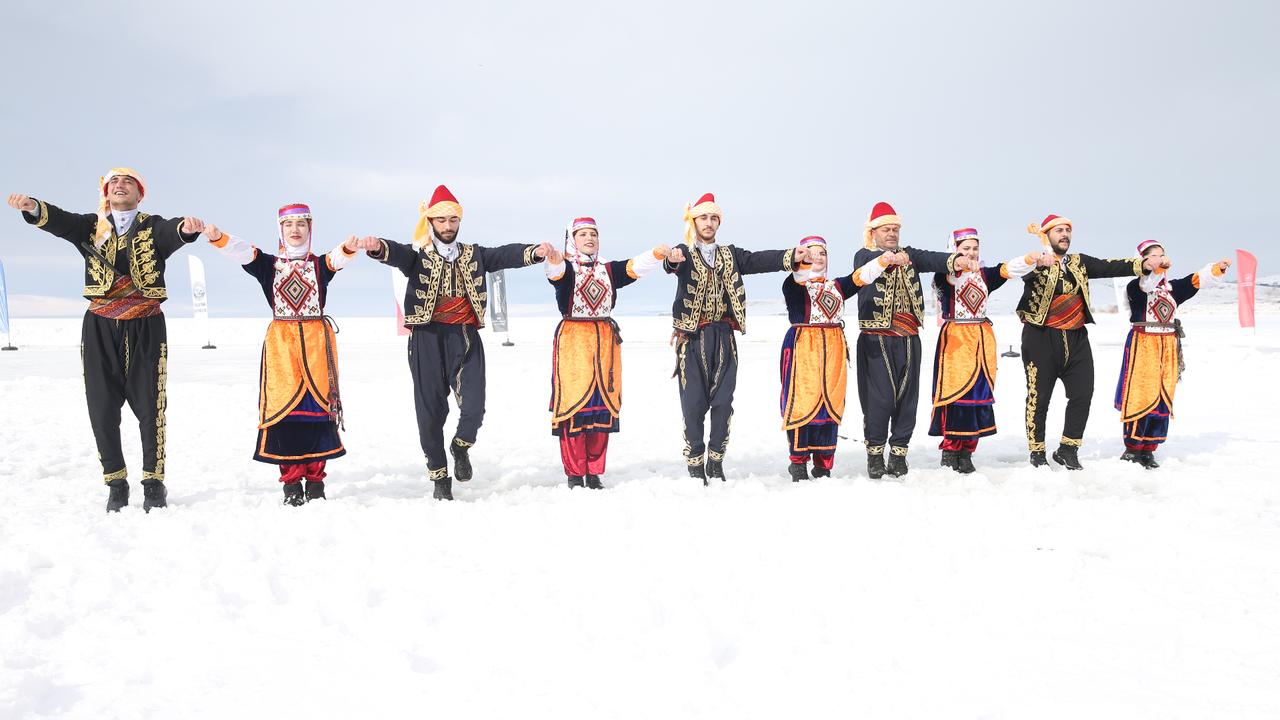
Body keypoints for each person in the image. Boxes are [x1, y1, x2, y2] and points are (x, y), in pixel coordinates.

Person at [7, 169, 204, 512]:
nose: (120, 185)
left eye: (128, 182)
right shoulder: (90, 226)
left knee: (150, 406)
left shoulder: (151, 225)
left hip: (145, 324)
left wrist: (185, 230)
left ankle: (153, 483)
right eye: (113, 182)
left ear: (139, 193)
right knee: (101, 407)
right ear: (105, 192)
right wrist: (33, 207)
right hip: (99, 324)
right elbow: (59, 220)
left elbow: (171, 232)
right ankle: (116, 483)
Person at [357, 185, 551, 500]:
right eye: (441, 220)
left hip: (465, 336)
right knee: (430, 412)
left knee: (474, 406)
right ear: (430, 221)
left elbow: (504, 254)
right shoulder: (418, 255)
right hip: (427, 337)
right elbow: (395, 253)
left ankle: (460, 446)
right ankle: (440, 478)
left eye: (452, 220)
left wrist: (534, 252)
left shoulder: (473, 254)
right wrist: (378, 246)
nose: (447, 226)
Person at [204, 204, 362, 505]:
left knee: (318, 410)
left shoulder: (319, 265)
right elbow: (241, 252)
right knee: (285, 412)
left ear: (310, 228)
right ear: (281, 229)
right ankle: (291, 484)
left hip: (316, 345)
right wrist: (218, 237)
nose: (295, 230)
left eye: (301, 224)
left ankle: (316, 482)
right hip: (282, 347)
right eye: (289, 224)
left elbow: (337, 258)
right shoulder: (269, 264)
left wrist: (349, 247)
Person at [664, 192, 803, 484]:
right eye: (704, 217)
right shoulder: (685, 251)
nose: (709, 222)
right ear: (694, 220)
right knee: (693, 404)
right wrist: (672, 260)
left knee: (723, 402)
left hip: (725, 337)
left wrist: (791, 256)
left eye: (714, 218)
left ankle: (716, 461)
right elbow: (672, 264)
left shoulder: (730, 254)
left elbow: (760, 260)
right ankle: (694, 462)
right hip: (693, 338)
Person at [1019, 214, 1162, 469]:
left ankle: (1068, 448)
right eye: (1059, 230)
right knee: (1039, 397)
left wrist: (1144, 264)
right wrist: (1035, 260)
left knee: (1082, 394)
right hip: (1041, 337)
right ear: (1047, 234)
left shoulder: (1079, 262)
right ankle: (1037, 452)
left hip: (1076, 337)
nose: (1064, 235)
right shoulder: (1035, 261)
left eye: (1067, 230)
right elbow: (1018, 269)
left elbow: (1111, 265)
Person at [543, 217, 676, 488]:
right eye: (583, 235)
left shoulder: (607, 269)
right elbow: (556, 274)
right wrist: (554, 260)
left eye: (593, 234)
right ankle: (574, 473)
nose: (589, 239)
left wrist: (655, 253)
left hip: (605, 344)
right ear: (573, 239)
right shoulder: (567, 268)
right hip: (574, 344)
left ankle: (593, 471)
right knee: (574, 408)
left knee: (601, 407)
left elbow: (632, 267)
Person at [852, 202, 977, 479]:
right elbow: (865, 272)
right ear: (873, 232)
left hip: (909, 338)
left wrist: (954, 261)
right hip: (877, 339)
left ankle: (898, 453)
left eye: (895, 229)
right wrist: (885, 260)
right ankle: (875, 455)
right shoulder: (864, 256)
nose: (892, 234)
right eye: (886, 229)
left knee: (907, 399)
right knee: (879, 400)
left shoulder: (909, 256)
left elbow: (933, 258)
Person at [928, 228, 1046, 473]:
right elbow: (949, 278)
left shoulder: (985, 275)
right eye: (965, 248)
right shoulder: (944, 274)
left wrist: (1029, 259)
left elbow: (1008, 269)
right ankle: (951, 449)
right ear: (954, 250)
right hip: (956, 338)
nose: (971, 253)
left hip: (981, 338)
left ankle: (968, 450)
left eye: (975, 248)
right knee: (956, 393)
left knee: (978, 393)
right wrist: (958, 264)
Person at [1115, 240, 1231, 468]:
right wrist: (1157, 269)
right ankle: (1132, 447)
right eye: (1155, 256)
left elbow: (1194, 281)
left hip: (1167, 345)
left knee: (1162, 394)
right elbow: (1148, 284)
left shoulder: (1171, 290)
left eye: (1162, 255)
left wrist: (1216, 269)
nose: (1161, 259)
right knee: (1142, 392)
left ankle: (1149, 447)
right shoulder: (1135, 286)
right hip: (1144, 344)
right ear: (1144, 260)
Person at [778, 236, 886, 480]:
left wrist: (883, 261)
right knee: (802, 403)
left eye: (822, 254)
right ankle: (798, 462)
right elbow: (797, 277)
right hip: (804, 349)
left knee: (831, 404)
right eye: (810, 253)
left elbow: (860, 277)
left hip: (833, 351)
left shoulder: (837, 286)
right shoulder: (794, 285)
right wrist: (801, 263)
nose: (817, 258)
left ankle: (824, 462)